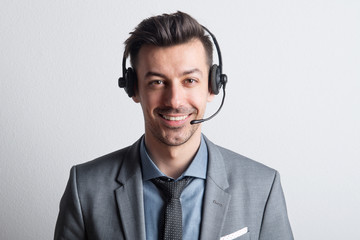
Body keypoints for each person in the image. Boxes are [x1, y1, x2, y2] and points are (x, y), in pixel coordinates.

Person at [54, 11, 293, 240]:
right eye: (157, 82)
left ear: (213, 86)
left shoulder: (263, 187)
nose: (174, 101)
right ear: (133, 89)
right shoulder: (84, 187)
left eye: (190, 80)